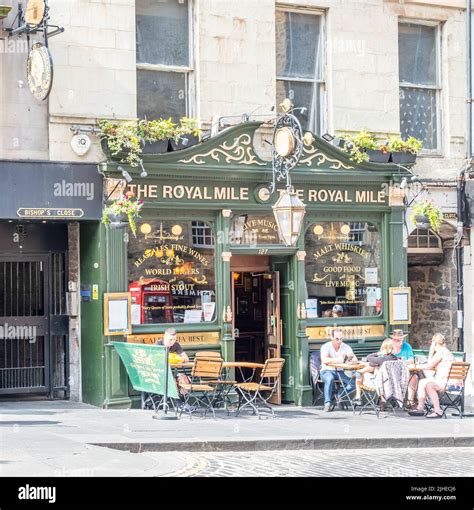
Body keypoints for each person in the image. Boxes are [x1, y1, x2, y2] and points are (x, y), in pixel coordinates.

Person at [408, 333, 457, 418]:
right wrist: (431, 352)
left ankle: (437, 411)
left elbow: (428, 366)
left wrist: (414, 366)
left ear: (434, 343)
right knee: (423, 382)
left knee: (429, 385)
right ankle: (420, 408)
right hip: (451, 381)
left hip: (446, 382)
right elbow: (430, 365)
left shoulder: (441, 352)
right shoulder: (446, 351)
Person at [320, 328, 358, 412]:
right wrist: (338, 359)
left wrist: (351, 360)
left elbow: (354, 358)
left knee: (353, 382)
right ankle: (327, 404)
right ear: (331, 337)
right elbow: (324, 360)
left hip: (340, 371)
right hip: (327, 370)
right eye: (337, 339)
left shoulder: (345, 347)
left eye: (341, 339)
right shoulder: (326, 347)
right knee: (329, 379)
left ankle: (339, 395)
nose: (339, 341)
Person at [353, 339, 398, 405]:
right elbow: (373, 363)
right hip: (391, 384)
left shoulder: (382, 359)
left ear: (384, 348)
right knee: (374, 367)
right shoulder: (394, 358)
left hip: (378, 384)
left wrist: (378, 353)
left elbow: (369, 357)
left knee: (360, 376)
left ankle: (358, 397)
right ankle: (359, 372)